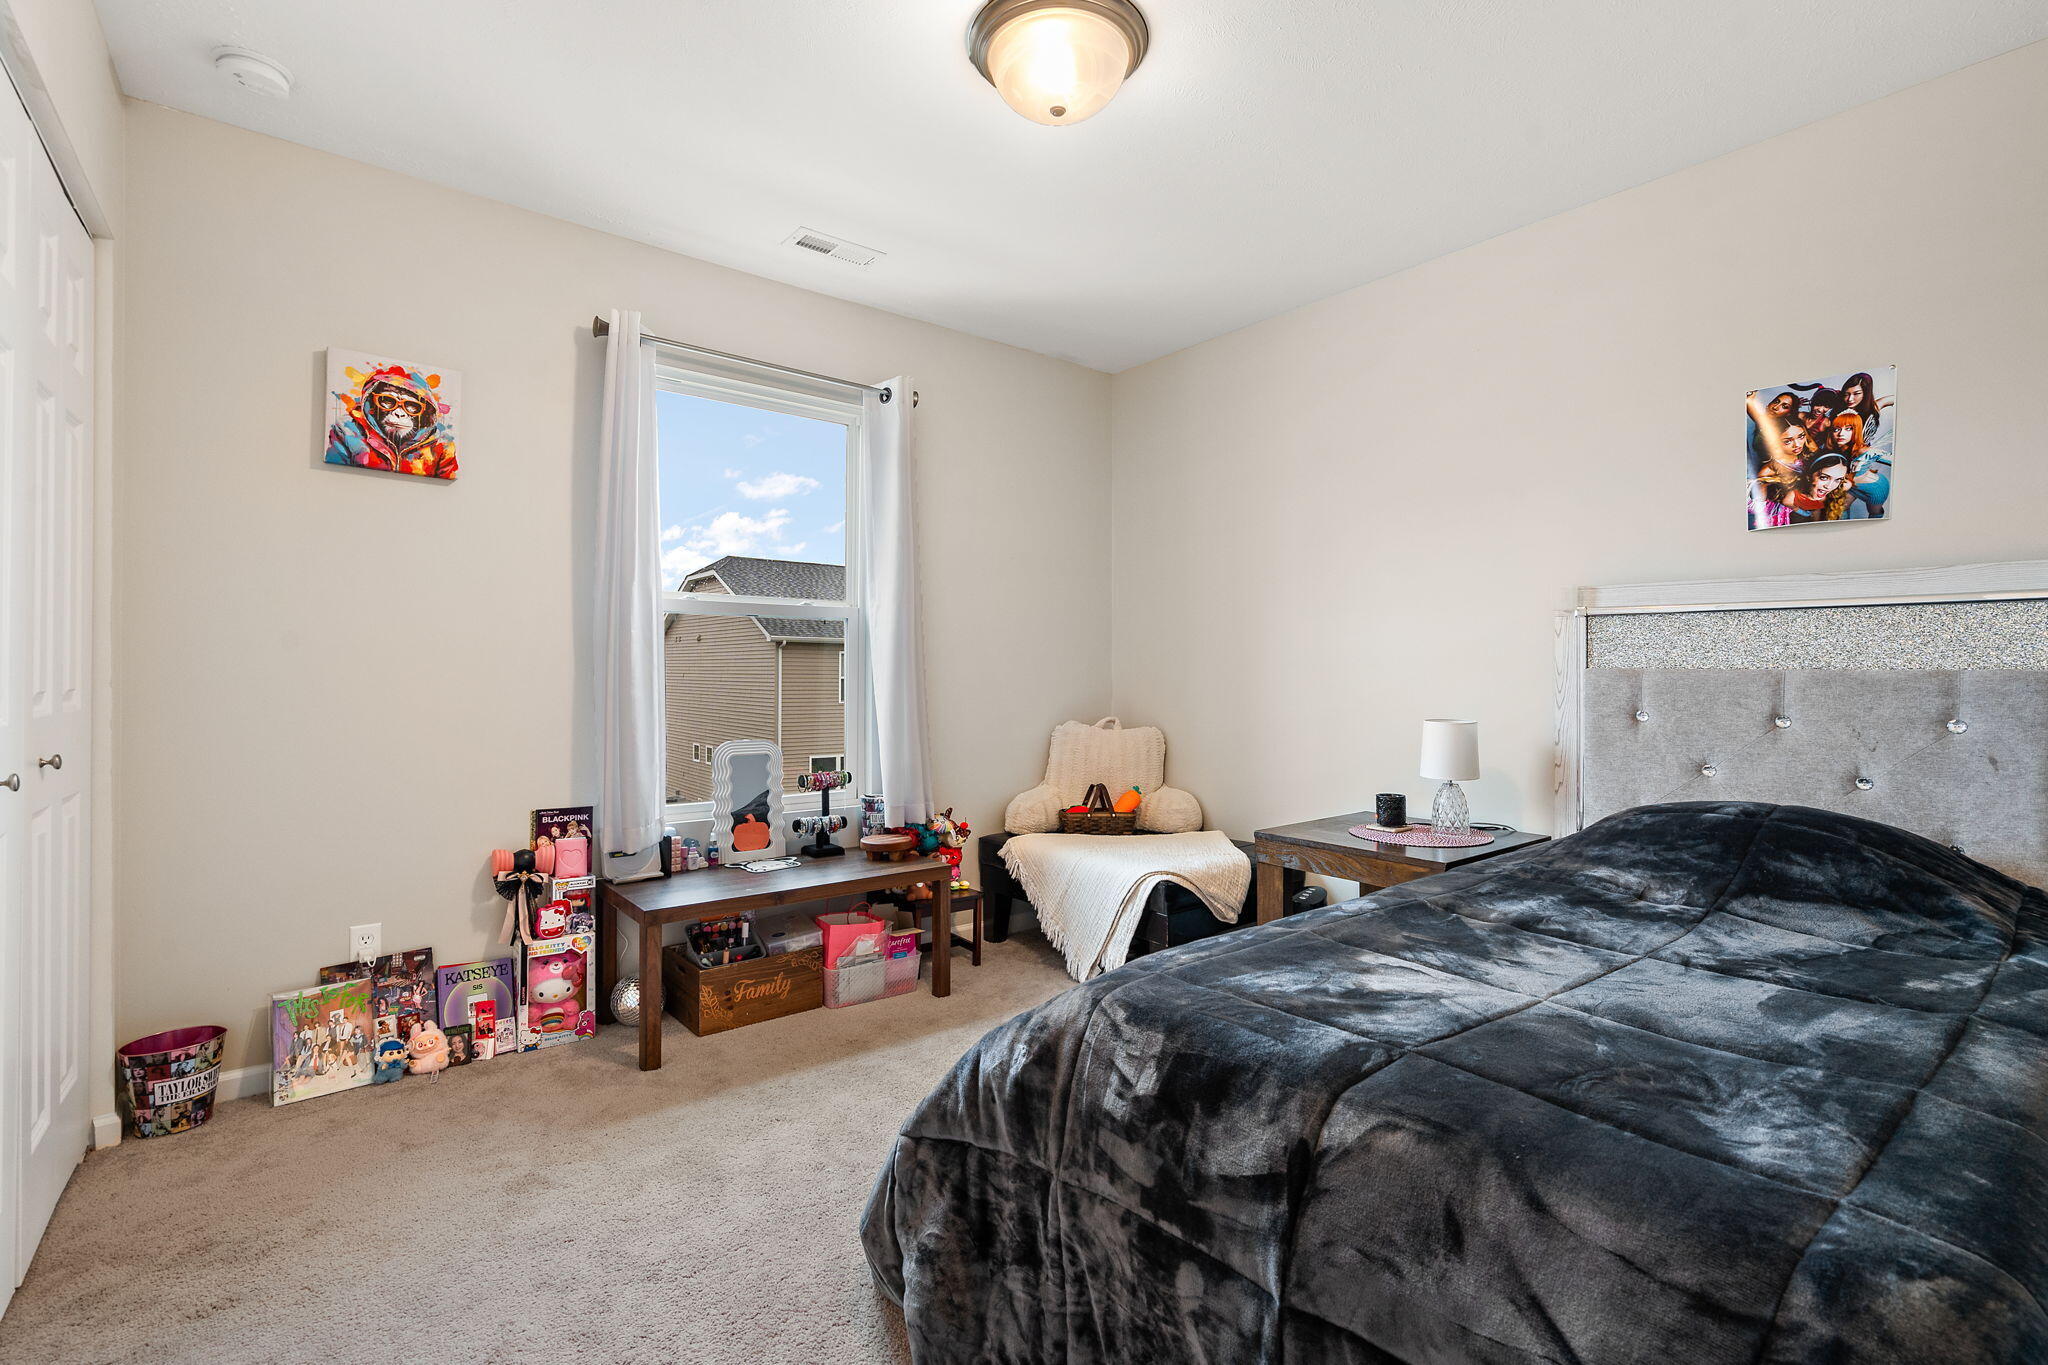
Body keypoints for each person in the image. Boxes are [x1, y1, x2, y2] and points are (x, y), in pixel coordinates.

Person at [1783, 454, 1854, 523]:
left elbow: (1848, 484)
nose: (1829, 486)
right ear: (1809, 475)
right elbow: (1786, 502)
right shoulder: (1795, 493)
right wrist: (1801, 512)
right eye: (1824, 477)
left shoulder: (1835, 493)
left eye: (1838, 480)